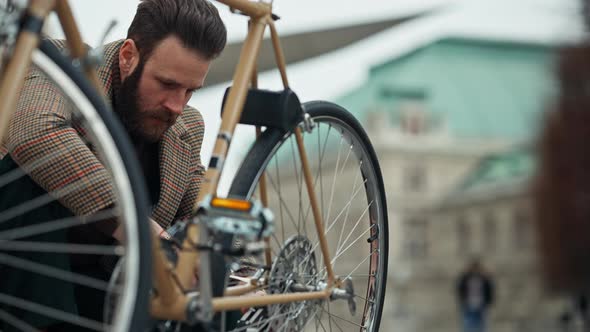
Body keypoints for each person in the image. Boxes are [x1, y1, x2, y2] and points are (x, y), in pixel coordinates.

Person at [0, 0, 226, 330]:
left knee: (208, 277)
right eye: (166, 84)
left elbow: (198, 210)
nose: (177, 106)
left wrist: (235, 271)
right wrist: (144, 232)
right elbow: (33, 130)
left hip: (110, 300)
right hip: (28, 290)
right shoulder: (64, 66)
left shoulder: (186, 127)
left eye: (190, 91)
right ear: (128, 56)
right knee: (18, 174)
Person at [456, 259, 495, 332]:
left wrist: (488, 301)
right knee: (468, 324)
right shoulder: (466, 278)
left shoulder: (484, 279)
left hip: (481, 304)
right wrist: (463, 300)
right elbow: (460, 289)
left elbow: (489, 289)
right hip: (469, 304)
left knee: (481, 325)